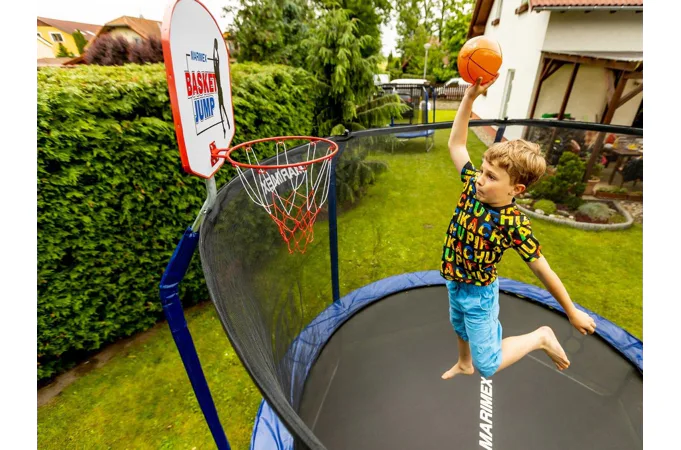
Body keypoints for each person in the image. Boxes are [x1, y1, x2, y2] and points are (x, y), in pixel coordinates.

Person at [440, 76, 597, 380]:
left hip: (479, 294)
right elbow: (456, 144)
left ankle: (540, 337)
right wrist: (469, 98)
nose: (480, 178)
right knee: (459, 326)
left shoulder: (513, 224)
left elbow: (542, 269)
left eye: (491, 176)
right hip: (454, 280)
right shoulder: (473, 186)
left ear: (517, 189)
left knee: (488, 364)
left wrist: (571, 311)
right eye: (482, 170)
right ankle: (464, 362)